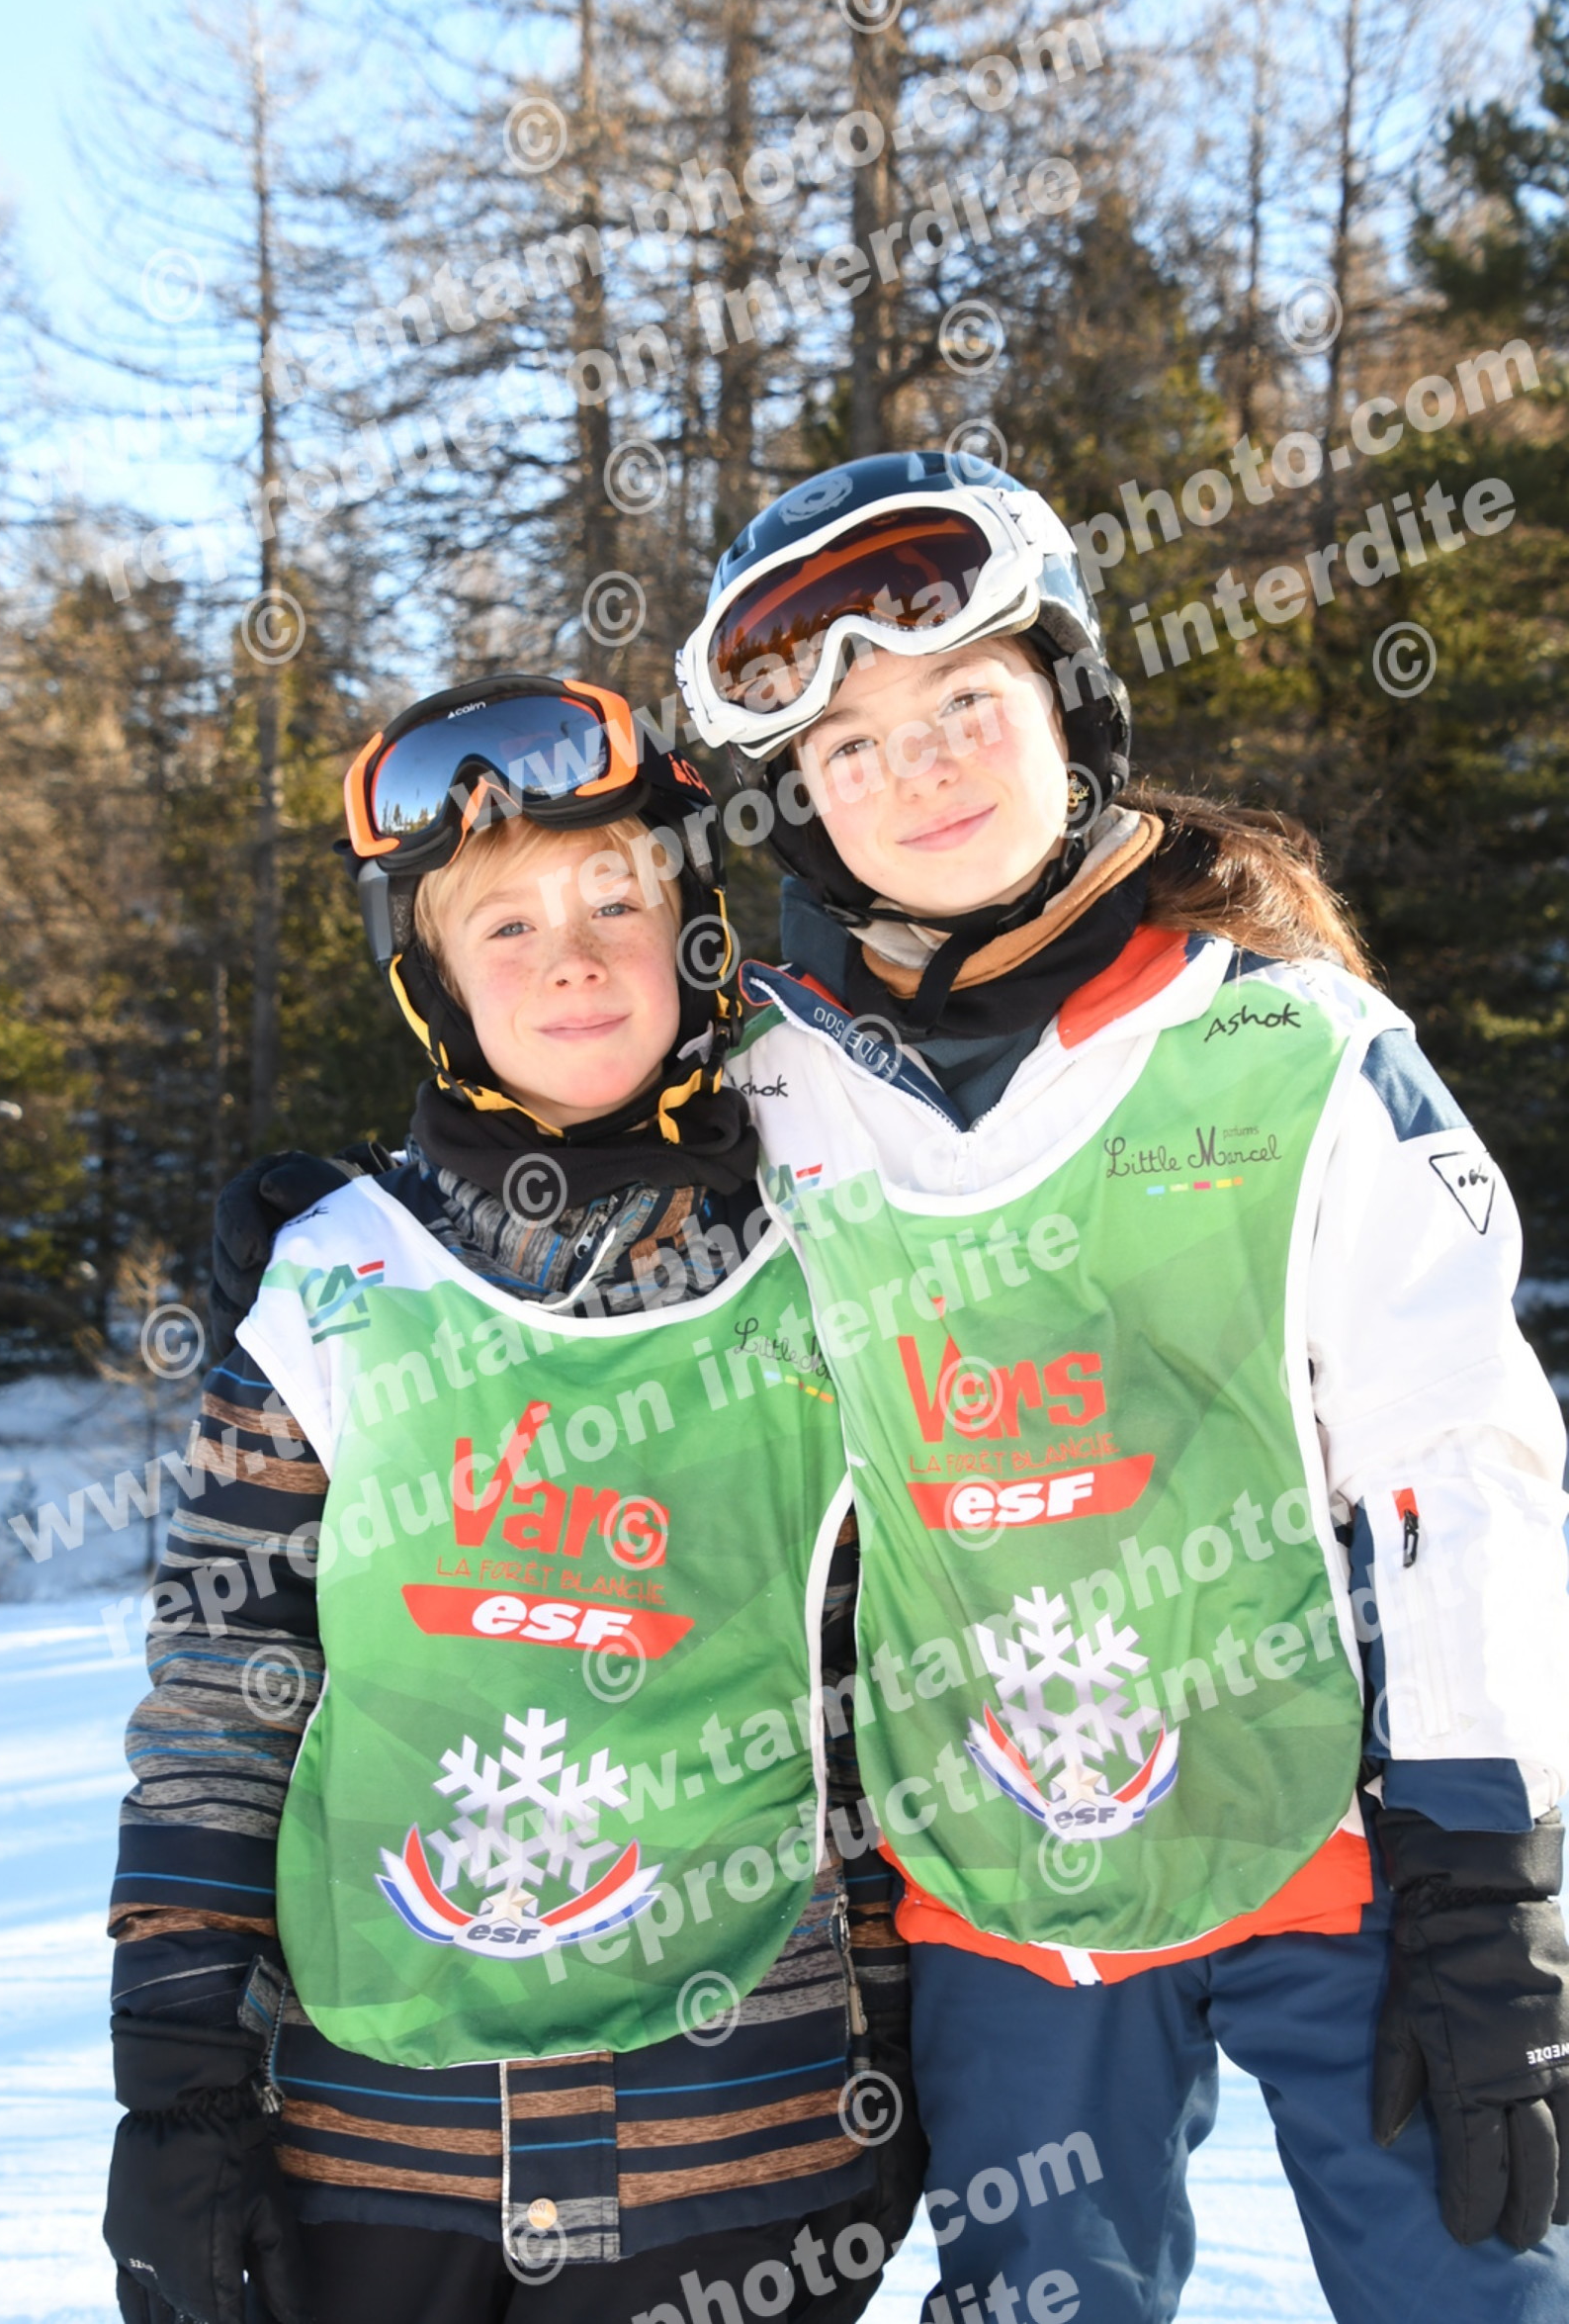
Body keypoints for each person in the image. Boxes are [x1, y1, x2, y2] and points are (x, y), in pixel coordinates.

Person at [672, 450, 1569, 2322]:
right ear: (801, 805)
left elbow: (1456, 1456)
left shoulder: (1286, 1041)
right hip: (1004, 1884)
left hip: (1343, 1850)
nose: (916, 770)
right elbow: (565, 1103)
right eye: (849, 746)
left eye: (963, 704)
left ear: (1070, 706)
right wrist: (403, 1195)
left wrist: (1488, 1871)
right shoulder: (768, 1087)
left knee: (1473, 2289)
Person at [105, 673, 920, 2324]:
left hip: (738, 2142)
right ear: (432, 985)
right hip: (374, 2151)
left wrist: (902, 2046)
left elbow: (878, 1692)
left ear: (698, 936)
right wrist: (180, 2085)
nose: (572, 959)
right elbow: (224, 1697)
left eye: (619, 902)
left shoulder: (836, 1259)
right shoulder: (332, 1290)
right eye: (507, 927)